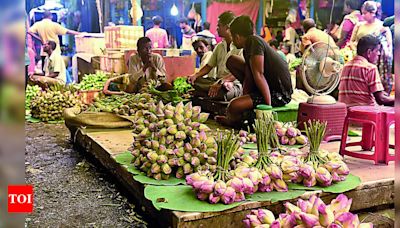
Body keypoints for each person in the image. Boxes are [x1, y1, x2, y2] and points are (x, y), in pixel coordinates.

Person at [216, 16, 293, 127]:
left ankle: (235, 122)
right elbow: (249, 74)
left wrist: (267, 107)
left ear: (237, 37)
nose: (232, 40)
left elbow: (259, 74)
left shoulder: (254, 42)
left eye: (232, 37)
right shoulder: (247, 47)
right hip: (266, 86)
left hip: (279, 94)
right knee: (232, 61)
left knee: (233, 106)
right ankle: (237, 116)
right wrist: (244, 97)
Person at [187, 11, 242, 102]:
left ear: (228, 27)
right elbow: (209, 66)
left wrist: (223, 82)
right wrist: (195, 75)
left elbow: (239, 73)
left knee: (224, 92)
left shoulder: (239, 46)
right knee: (195, 81)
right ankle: (209, 92)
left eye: (219, 26)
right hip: (216, 82)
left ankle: (205, 93)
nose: (217, 28)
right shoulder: (219, 46)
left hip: (232, 85)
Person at [350, 1, 393, 93]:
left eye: (365, 13)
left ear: (373, 13)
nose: (363, 15)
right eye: (362, 13)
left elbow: (389, 45)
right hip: (357, 56)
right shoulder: (359, 25)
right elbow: (352, 41)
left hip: (375, 59)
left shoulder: (382, 26)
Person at [338, 35, 393, 107]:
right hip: (365, 113)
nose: (379, 54)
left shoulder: (345, 66)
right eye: (377, 51)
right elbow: (381, 100)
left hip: (346, 112)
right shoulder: (370, 68)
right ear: (369, 52)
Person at [103, 37, 171, 95]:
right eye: (145, 48)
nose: (148, 51)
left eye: (150, 48)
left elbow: (164, 79)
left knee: (168, 86)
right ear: (138, 50)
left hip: (156, 89)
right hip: (139, 89)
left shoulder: (157, 58)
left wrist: (154, 68)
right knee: (130, 86)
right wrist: (144, 68)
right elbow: (132, 79)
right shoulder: (133, 59)